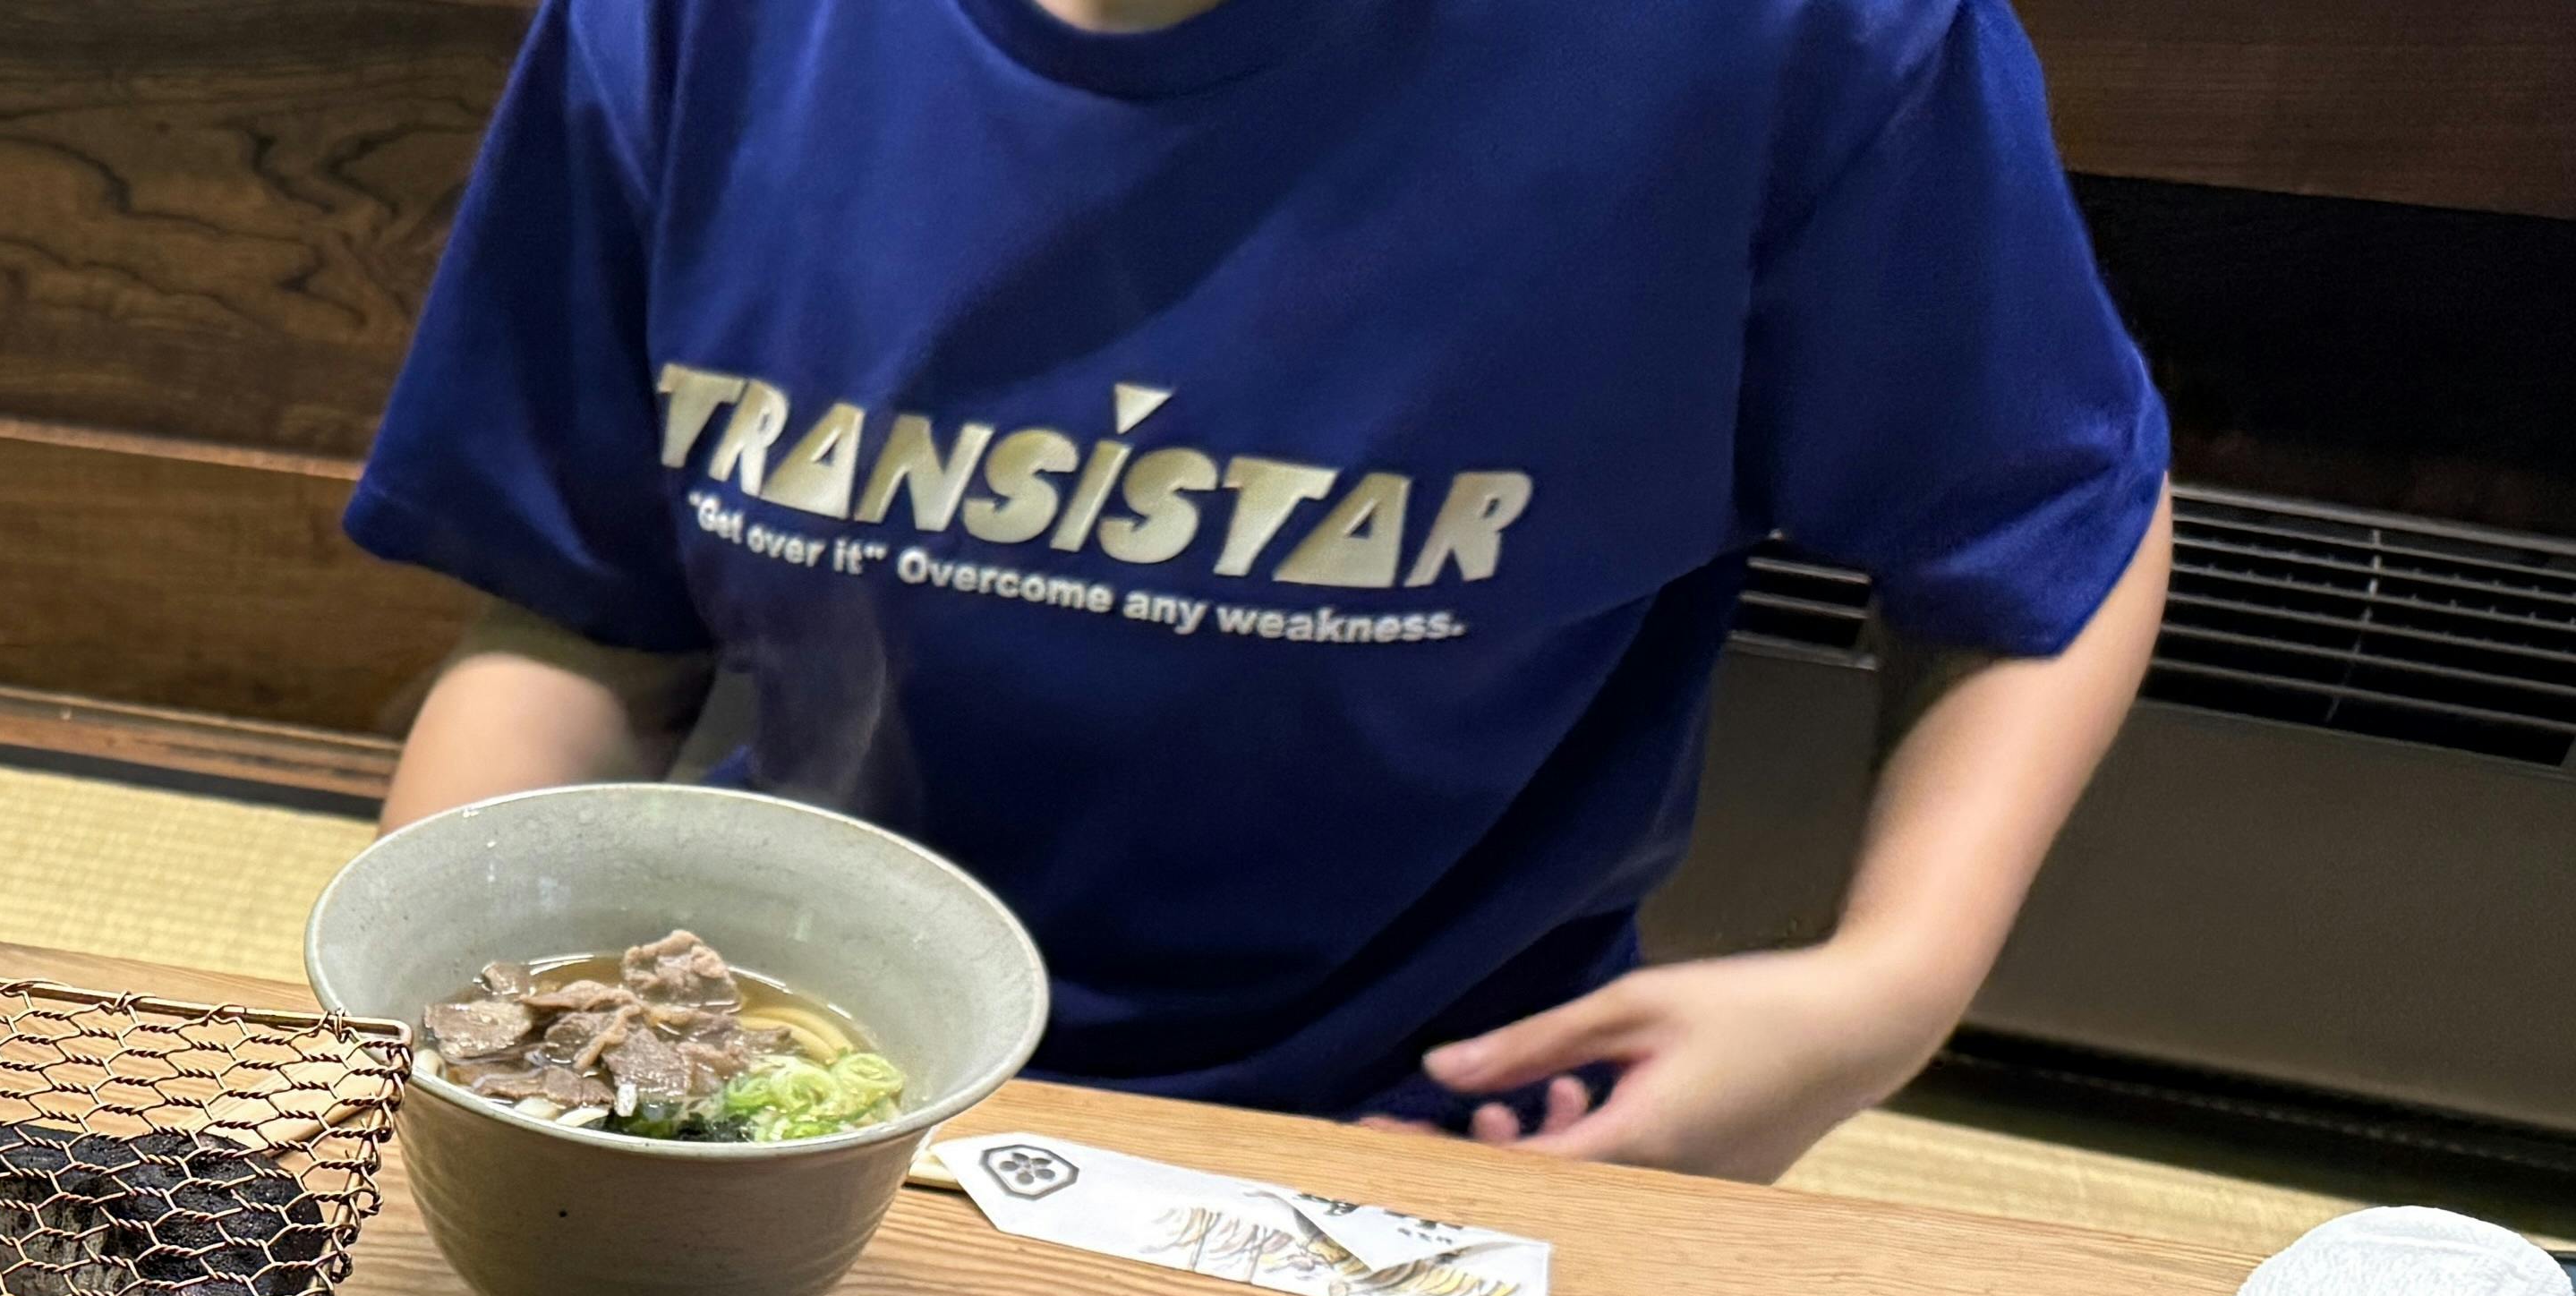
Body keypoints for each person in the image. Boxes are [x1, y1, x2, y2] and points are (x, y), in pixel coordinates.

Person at [348, 0, 2171, 1178]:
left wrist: (1886, 991)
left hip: (1446, 1129)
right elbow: (575, 617)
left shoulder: (1797, 44)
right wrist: (425, 1041)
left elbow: (2043, 515)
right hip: (809, 1081)